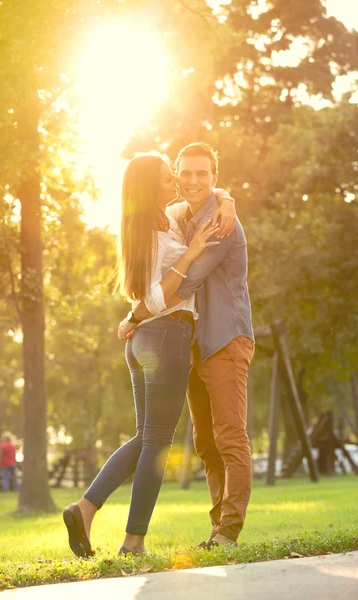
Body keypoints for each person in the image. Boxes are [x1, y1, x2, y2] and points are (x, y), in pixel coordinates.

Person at [62, 154, 234, 558]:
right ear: (147, 189)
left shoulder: (165, 220)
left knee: (145, 438)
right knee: (157, 442)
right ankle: (133, 541)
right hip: (167, 336)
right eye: (165, 178)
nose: (174, 181)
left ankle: (85, 509)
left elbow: (209, 192)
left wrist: (227, 199)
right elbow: (155, 297)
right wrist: (190, 254)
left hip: (143, 340)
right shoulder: (154, 235)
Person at [121, 143, 254, 549]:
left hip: (225, 339)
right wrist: (228, 194)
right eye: (186, 174)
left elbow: (190, 280)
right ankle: (217, 529)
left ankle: (229, 532)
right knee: (206, 444)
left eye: (204, 174)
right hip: (193, 345)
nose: (194, 181)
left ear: (214, 175)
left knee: (230, 437)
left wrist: (136, 315)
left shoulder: (221, 223)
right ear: (176, 177)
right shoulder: (179, 214)